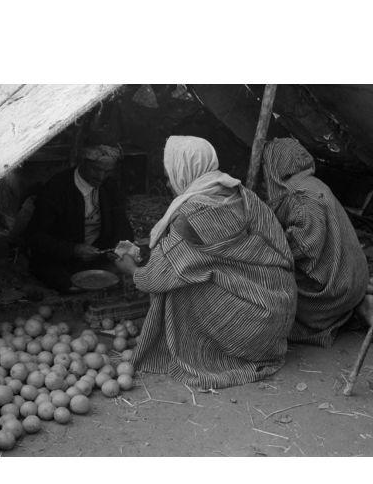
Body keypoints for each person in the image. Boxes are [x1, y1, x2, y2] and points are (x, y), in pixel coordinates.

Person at [115, 136, 297, 389]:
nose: (168, 182)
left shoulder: (191, 216)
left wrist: (131, 269)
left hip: (247, 334)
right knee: (194, 269)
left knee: (177, 285)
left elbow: (154, 278)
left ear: (185, 171)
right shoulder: (243, 195)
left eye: (169, 174)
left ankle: (203, 349)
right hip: (278, 315)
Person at [261, 137, 373, 348]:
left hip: (336, 292)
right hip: (354, 281)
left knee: (265, 289)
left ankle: (327, 317)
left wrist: (261, 248)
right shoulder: (312, 183)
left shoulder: (300, 196)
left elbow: (304, 246)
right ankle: (357, 309)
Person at [25, 144, 134, 292]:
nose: (101, 177)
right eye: (96, 169)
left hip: (96, 257)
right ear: (82, 162)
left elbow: (122, 225)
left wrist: (121, 248)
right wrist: (73, 250)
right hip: (61, 257)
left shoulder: (109, 185)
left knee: (120, 277)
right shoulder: (57, 188)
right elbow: (34, 236)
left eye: (107, 171)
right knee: (67, 284)